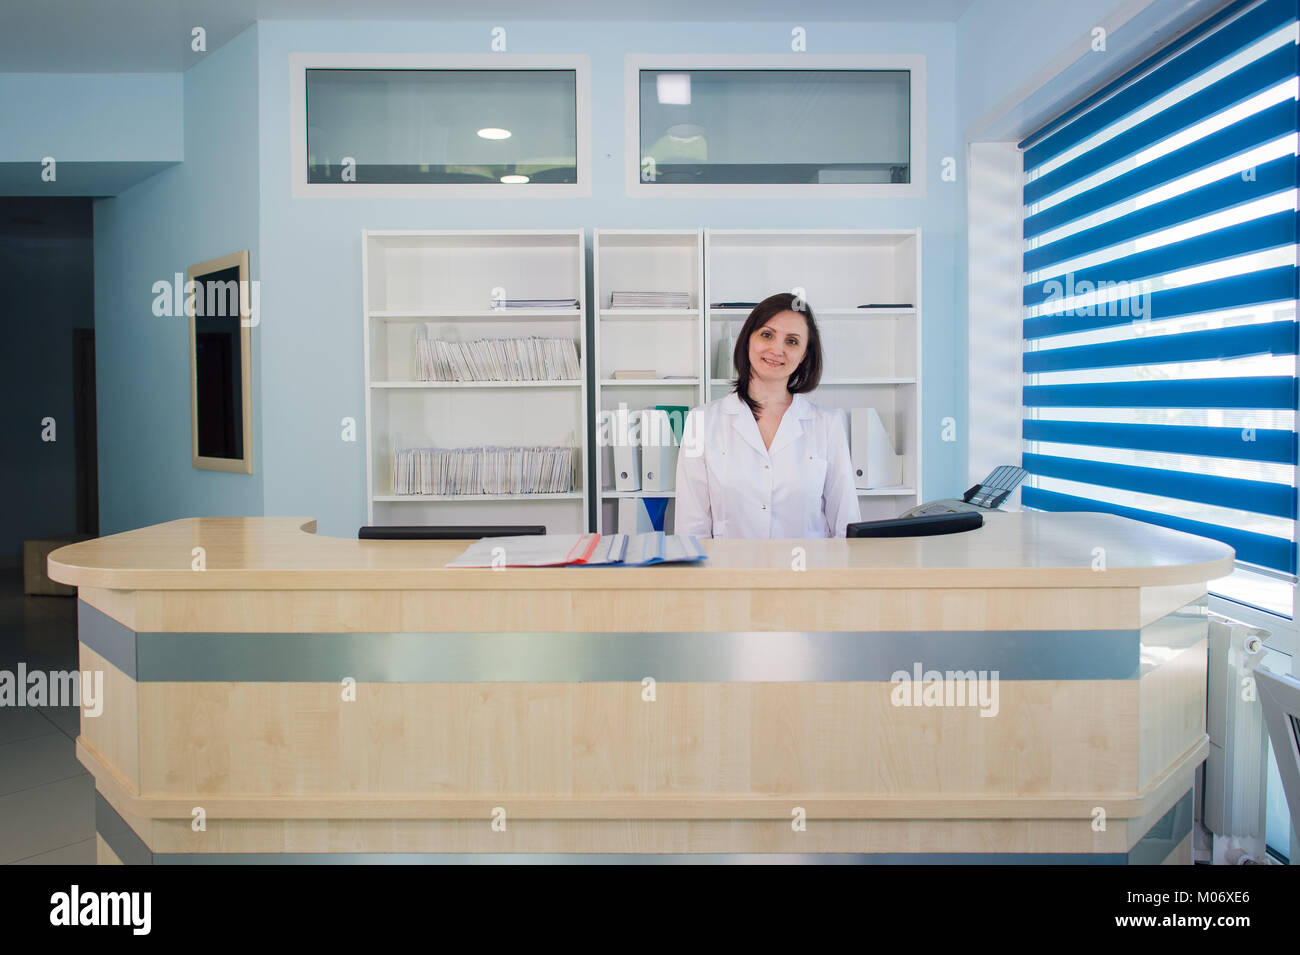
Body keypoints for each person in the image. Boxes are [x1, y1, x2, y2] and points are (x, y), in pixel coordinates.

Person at [675, 292, 861, 538]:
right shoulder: (702, 423)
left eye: (792, 341)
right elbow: (691, 530)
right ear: (748, 339)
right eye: (767, 334)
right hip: (728, 574)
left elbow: (845, 528)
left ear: (804, 354)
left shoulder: (828, 425)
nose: (777, 349)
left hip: (808, 573)